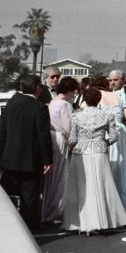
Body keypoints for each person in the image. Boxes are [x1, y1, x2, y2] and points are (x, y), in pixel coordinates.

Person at [63, 87, 126, 235]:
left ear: (85, 100)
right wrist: (102, 142)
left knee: (82, 187)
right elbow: (113, 137)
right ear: (99, 99)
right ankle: (100, 222)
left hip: (81, 152)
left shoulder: (76, 116)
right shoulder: (107, 115)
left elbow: (73, 139)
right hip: (99, 152)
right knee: (100, 186)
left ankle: (82, 222)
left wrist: (72, 140)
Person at [0, 74, 53, 231]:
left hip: (10, 157)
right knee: (29, 195)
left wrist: (3, 154)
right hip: (30, 159)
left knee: (9, 194)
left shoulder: (11, 103)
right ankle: (29, 227)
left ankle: (10, 225)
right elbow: (43, 136)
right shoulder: (39, 107)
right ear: (37, 88)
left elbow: (3, 132)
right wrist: (47, 159)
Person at [92, 76, 126, 216]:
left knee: (108, 167)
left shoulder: (96, 97)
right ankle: (125, 207)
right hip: (120, 133)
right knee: (123, 167)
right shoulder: (118, 97)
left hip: (106, 132)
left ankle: (108, 206)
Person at [41, 76, 79, 224]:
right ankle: (56, 211)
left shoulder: (52, 102)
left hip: (50, 137)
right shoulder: (65, 105)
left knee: (51, 177)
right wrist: (73, 143)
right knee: (60, 176)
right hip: (60, 138)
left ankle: (48, 210)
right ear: (69, 91)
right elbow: (68, 127)